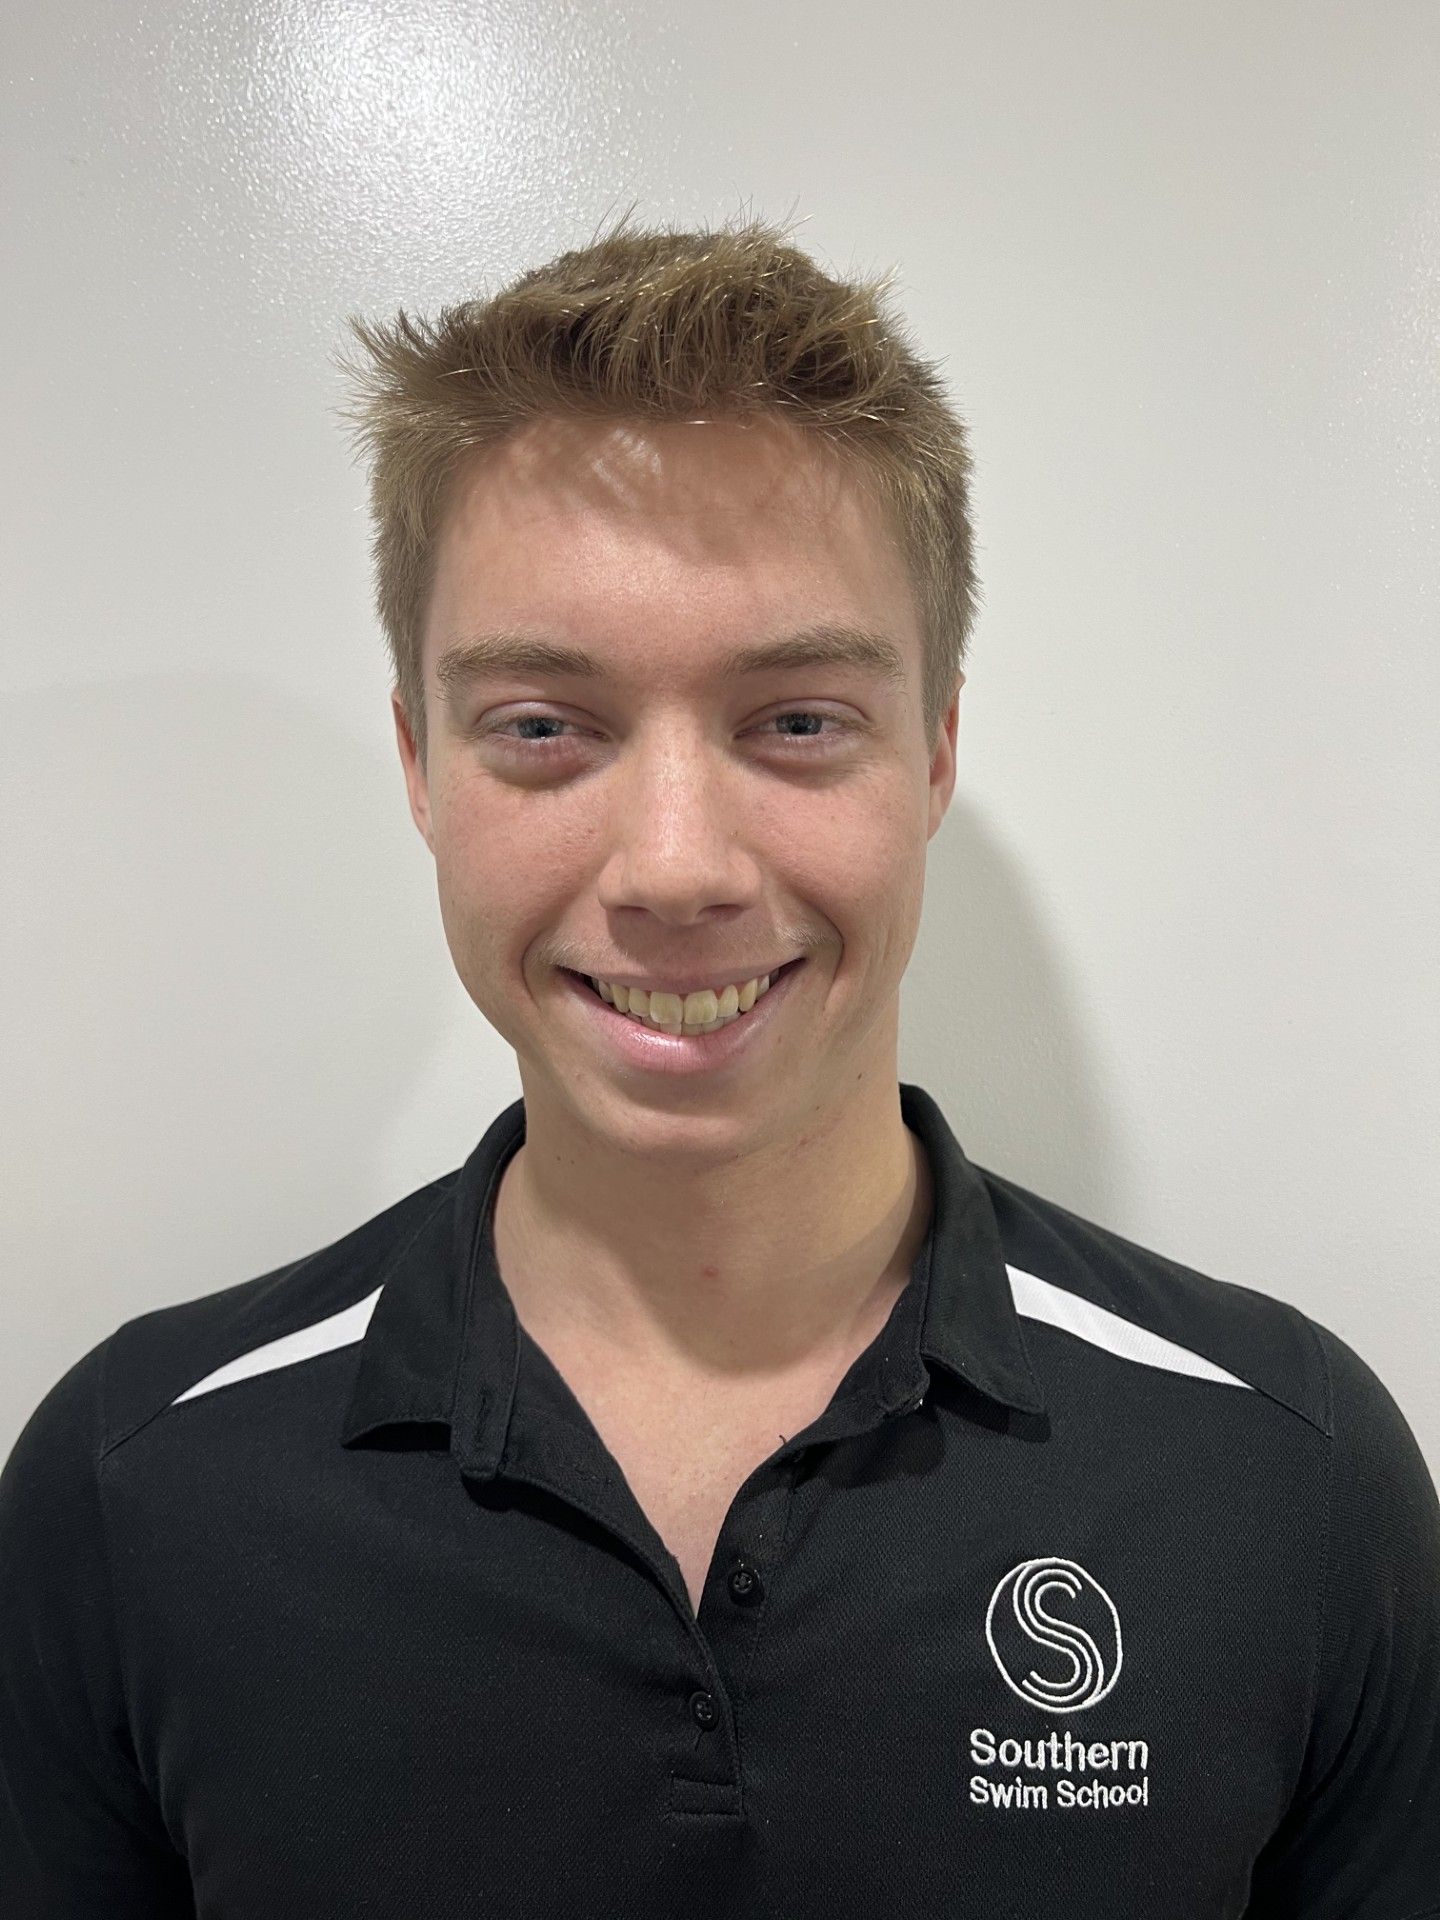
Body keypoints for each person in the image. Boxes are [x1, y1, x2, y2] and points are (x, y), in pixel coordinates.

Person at [2, 213, 1437, 1919]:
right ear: (420, 765)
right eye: (544, 725)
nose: (676, 867)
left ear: (936, 752)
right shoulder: (133, 1486)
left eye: (797, 720)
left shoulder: (1287, 1471)